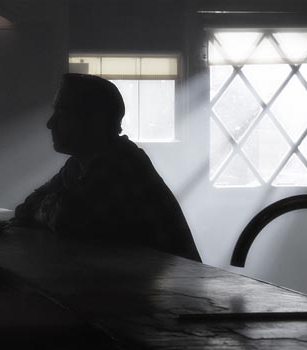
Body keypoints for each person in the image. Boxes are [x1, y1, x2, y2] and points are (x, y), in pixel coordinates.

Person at [13, 74, 201, 262]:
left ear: (95, 121)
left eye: (62, 113)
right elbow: (26, 207)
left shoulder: (121, 163)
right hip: (139, 284)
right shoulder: (77, 166)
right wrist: (53, 209)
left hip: (174, 288)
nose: (50, 123)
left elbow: (68, 219)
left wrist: (51, 208)